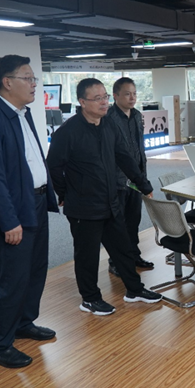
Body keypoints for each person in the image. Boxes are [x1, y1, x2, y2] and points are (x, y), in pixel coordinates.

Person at [0, 55, 58, 369]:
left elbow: (32, 160)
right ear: (7, 82)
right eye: (28, 78)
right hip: (13, 210)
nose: (34, 84)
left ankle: (23, 322)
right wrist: (9, 221)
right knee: (14, 279)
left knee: (35, 270)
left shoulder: (23, 113)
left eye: (34, 78)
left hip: (36, 203)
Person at [46, 78, 161, 315]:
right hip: (83, 206)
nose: (103, 102)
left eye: (105, 97)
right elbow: (54, 167)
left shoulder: (108, 125)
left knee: (123, 249)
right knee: (87, 256)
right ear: (82, 102)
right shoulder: (67, 132)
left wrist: (142, 183)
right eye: (97, 98)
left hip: (110, 201)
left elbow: (124, 157)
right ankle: (90, 298)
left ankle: (134, 290)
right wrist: (64, 193)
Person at [106, 76, 154, 276]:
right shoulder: (108, 117)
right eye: (127, 94)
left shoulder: (136, 115)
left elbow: (139, 146)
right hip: (117, 180)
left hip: (136, 179)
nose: (132, 98)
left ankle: (133, 255)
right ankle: (116, 261)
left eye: (134, 93)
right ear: (115, 96)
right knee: (118, 224)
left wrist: (142, 176)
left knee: (133, 221)